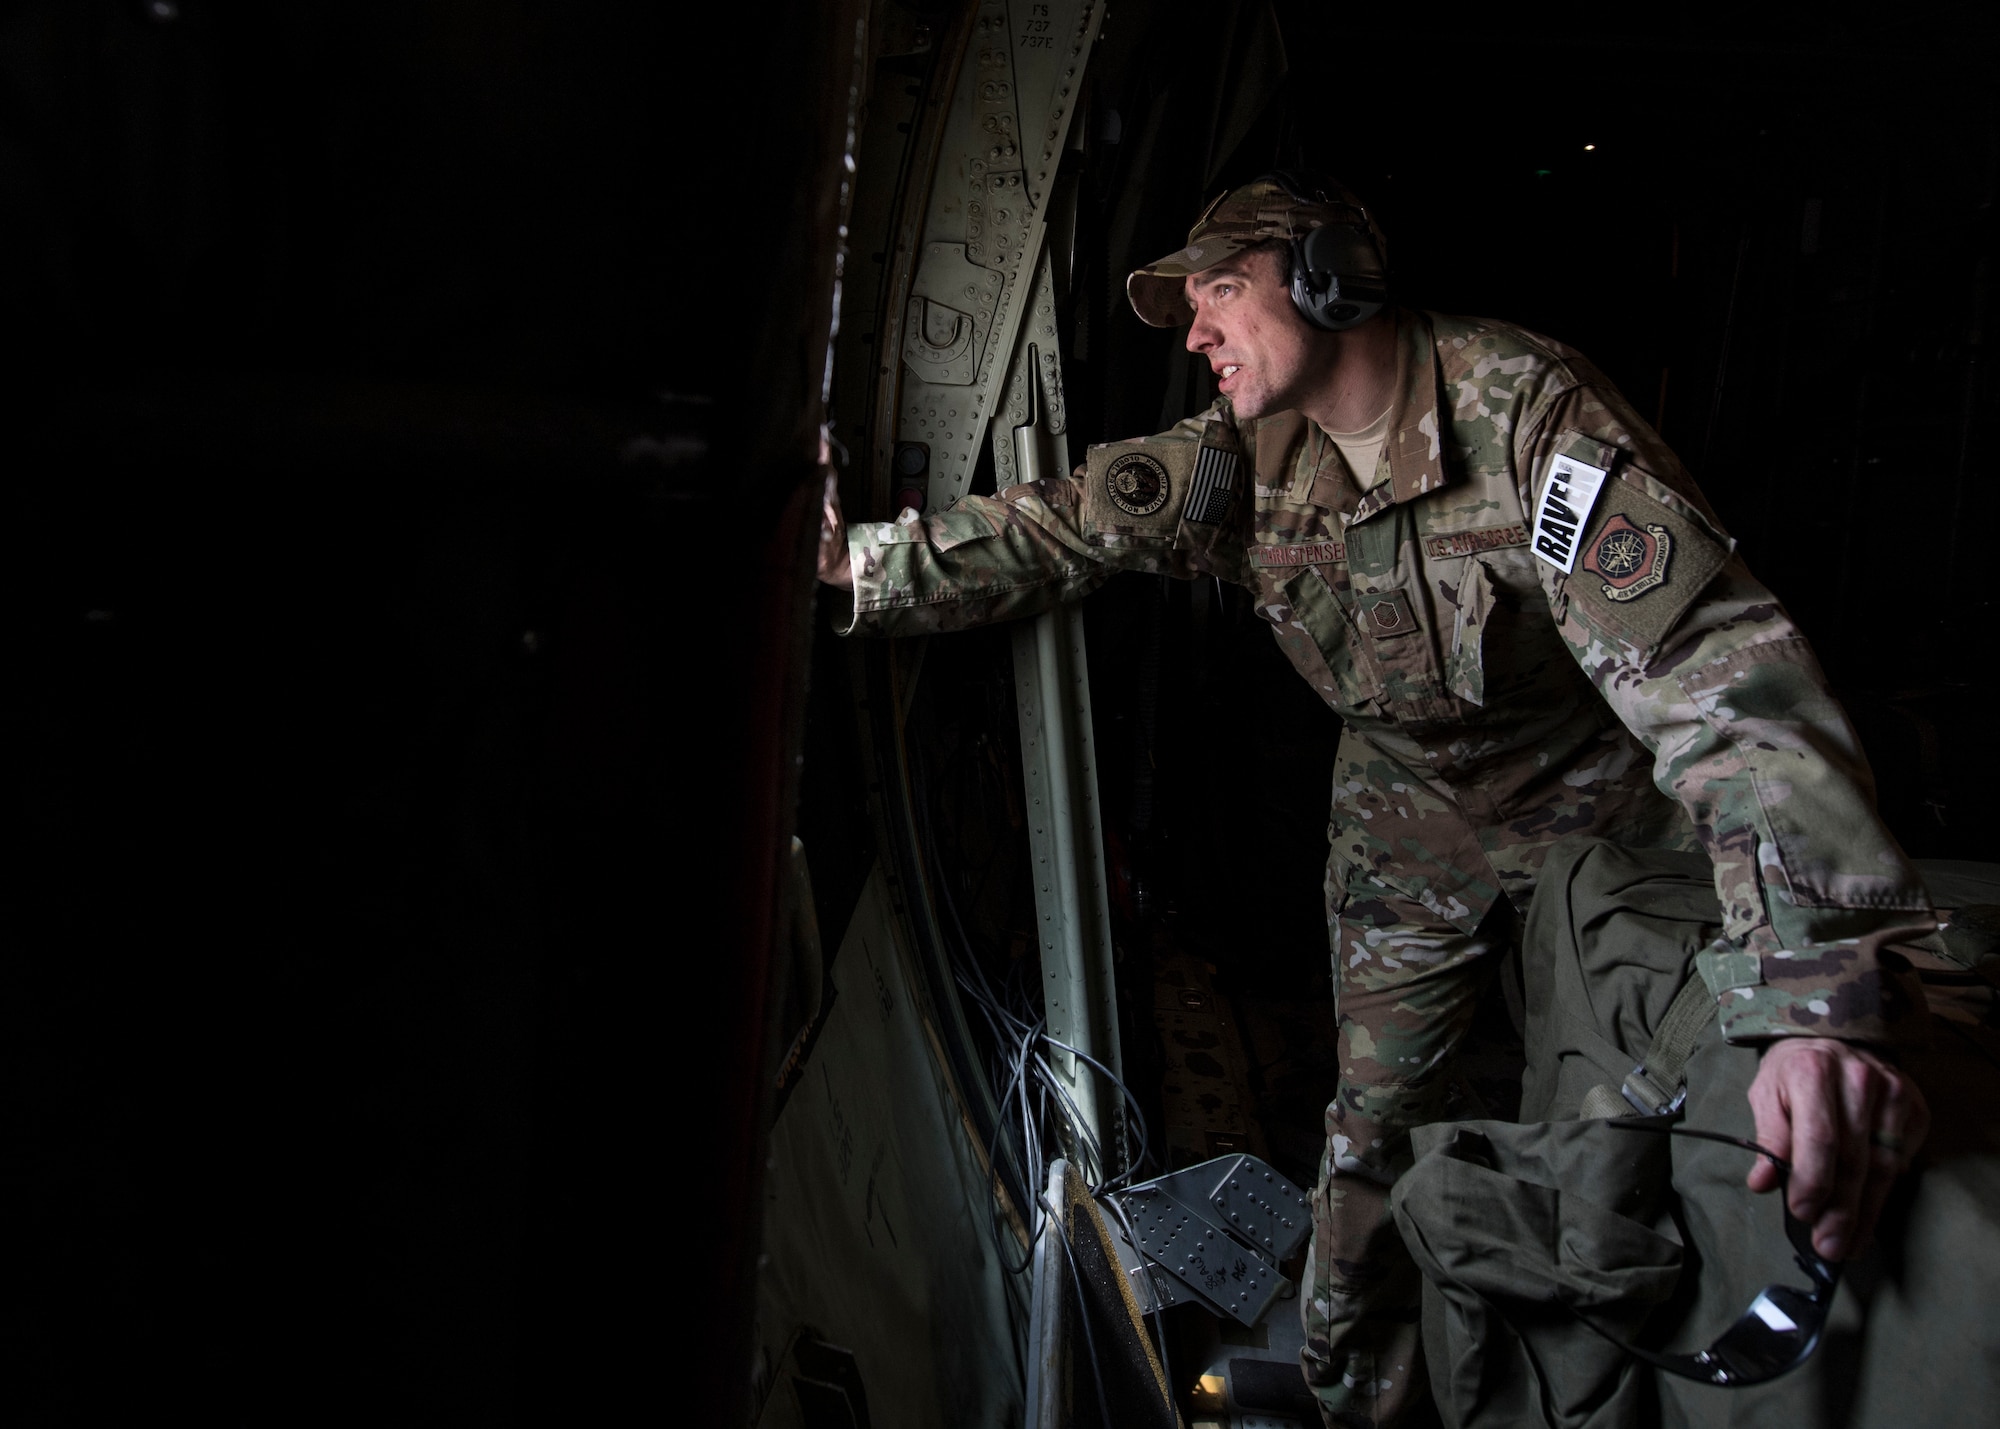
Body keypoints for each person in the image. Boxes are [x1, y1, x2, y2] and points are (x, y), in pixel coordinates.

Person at [817, 173, 1937, 1429]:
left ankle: (1569, 1386)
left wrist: (1816, 994)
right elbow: (1064, 528)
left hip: (1601, 818)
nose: (1192, 332)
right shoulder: (1238, 456)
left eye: (1218, 292)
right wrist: (854, 567)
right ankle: (1357, 1392)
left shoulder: (1521, 412)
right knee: (1374, 1129)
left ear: (1325, 275)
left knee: (1615, 1124)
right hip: (1409, 820)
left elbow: (1718, 684)